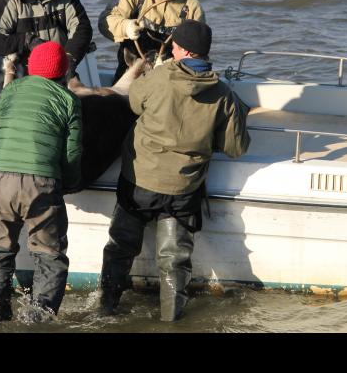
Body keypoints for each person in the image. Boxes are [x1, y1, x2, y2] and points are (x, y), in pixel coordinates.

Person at [98, 20, 250, 322]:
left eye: (175, 45)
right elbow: (236, 147)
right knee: (174, 260)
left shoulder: (160, 77)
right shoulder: (223, 94)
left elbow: (133, 102)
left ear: (181, 49)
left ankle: (106, 308)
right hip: (183, 190)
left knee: (120, 248)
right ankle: (171, 320)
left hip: (139, 181)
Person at [0, 41, 83, 322]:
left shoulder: (11, 90)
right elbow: (72, 154)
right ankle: (38, 322)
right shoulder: (68, 100)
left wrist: (3, 161)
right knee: (49, 255)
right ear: (63, 72)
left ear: (30, 68)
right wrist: (70, 183)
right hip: (41, 183)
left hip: (0, 179)